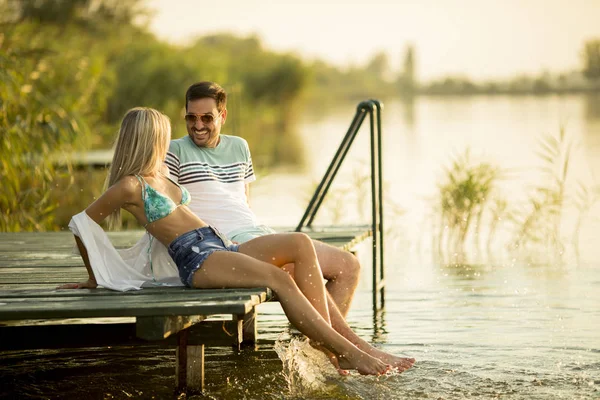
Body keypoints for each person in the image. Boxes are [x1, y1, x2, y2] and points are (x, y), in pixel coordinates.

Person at [59, 107, 412, 376]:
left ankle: (328, 341)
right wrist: (97, 276)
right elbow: (81, 224)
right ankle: (345, 350)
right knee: (279, 278)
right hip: (197, 260)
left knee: (300, 244)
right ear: (148, 139)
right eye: (162, 136)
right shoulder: (130, 186)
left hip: (218, 246)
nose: (167, 142)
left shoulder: (160, 175)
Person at [166, 81, 360, 318]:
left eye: (207, 118)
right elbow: (169, 211)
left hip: (256, 233)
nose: (198, 126)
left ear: (222, 115)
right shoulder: (173, 151)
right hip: (222, 244)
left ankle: (313, 348)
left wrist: (262, 238)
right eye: (191, 118)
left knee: (348, 266)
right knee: (294, 271)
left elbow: (244, 200)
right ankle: (335, 347)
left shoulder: (239, 146)